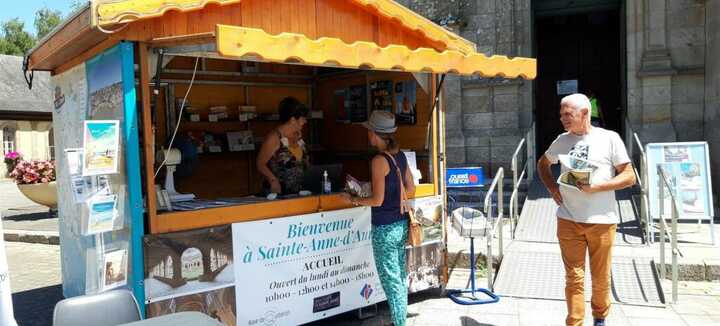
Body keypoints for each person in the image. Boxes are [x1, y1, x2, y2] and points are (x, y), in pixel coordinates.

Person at [537, 93, 636, 326]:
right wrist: (552, 188)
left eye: (568, 114)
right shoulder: (561, 140)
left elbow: (630, 176)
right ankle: (575, 322)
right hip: (568, 220)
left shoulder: (609, 138)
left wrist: (597, 187)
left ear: (584, 114)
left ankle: (600, 317)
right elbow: (543, 164)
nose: (562, 119)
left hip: (602, 221)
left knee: (601, 278)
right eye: (561, 114)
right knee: (574, 277)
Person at [341, 111, 415, 326]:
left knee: (391, 279)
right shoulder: (399, 156)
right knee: (399, 276)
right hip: (400, 224)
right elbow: (411, 189)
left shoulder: (378, 161)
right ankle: (399, 320)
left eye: (368, 131)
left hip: (384, 228)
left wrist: (352, 199)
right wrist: (395, 197)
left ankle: (400, 323)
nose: (367, 135)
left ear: (374, 133)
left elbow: (376, 201)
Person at [256, 97, 309, 195]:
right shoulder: (274, 138)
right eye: (303, 119)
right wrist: (273, 180)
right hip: (278, 194)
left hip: (298, 193)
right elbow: (260, 164)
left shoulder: (299, 136)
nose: (305, 121)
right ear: (293, 120)